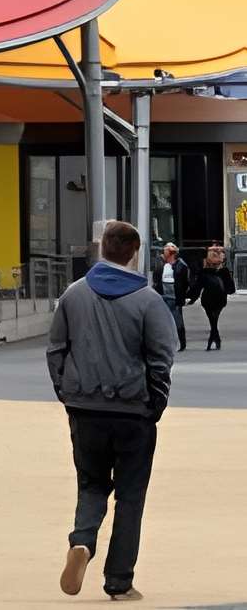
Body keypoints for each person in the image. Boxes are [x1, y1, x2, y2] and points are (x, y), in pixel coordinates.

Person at [47, 220, 176, 603]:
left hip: (84, 407)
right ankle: (119, 580)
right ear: (134, 252)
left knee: (91, 484)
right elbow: (161, 357)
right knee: (130, 496)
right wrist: (156, 403)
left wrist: (66, 392)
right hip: (133, 409)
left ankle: (83, 541)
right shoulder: (148, 300)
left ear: (102, 248)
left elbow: (56, 350)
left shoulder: (74, 295)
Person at [191, 244, 236, 351]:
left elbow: (197, 288)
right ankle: (215, 338)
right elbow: (231, 289)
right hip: (218, 299)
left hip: (209, 300)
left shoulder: (206, 272)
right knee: (214, 320)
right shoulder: (223, 272)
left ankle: (213, 339)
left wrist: (191, 298)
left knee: (213, 320)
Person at [152, 243, 190, 351]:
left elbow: (185, 282)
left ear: (171, 253)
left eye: (165, 251)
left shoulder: (181, 265)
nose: (163, 253)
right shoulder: (161, 264)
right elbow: (156, 278)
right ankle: (166, 343)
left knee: (177, 320)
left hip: (175, 297)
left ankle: (182, 342)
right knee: (162, 321)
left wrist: (183, 295)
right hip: (163, 296)